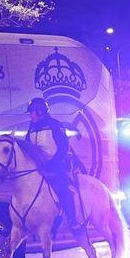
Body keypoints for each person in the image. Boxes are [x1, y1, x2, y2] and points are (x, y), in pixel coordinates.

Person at [24, 97, 88, 241]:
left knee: (62, 189)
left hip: (57, 166)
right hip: (40, 167)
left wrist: (52, 164)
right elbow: (28, 145)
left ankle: (73, 220)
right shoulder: (32, 127)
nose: (30, 115)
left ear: (40, 112)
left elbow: (64, 147)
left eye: (32, 112)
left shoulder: (55, 125)